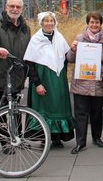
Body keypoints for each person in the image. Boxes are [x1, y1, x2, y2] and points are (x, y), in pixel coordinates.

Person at [23, 12, 75, 148]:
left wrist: (74, 49)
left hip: (58, 80)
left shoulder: (59, 38)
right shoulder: (36, 39)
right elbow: (30, 64)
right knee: (43, 107)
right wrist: (37, 84)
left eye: (51, 21)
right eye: (46, 21)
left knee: (58, 106)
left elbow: (66, 57)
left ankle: (57, 137)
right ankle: (44, 137)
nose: (49, 23)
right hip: (43, 79)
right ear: (41, 23)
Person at [67, 12, 103, 154]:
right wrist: (73, 49)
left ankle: (96, 137)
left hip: (98, 83)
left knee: (97, 113)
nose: (94, 25)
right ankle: (80, 142)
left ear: (100, 24)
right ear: (88, 23)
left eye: (97, 22)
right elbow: (70, 58)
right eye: (92, 22)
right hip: (81, 82)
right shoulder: (80, 38)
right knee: (80, 114)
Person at [0, 0, 31, 110]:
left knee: (16, 112)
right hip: (0, 77)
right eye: (12, 6)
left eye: (18, 7)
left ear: (22, 9)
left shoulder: (25, 28)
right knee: (1, 115)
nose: (15, 9)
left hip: (18, 78)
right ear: (6, 7)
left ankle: (17, 129)